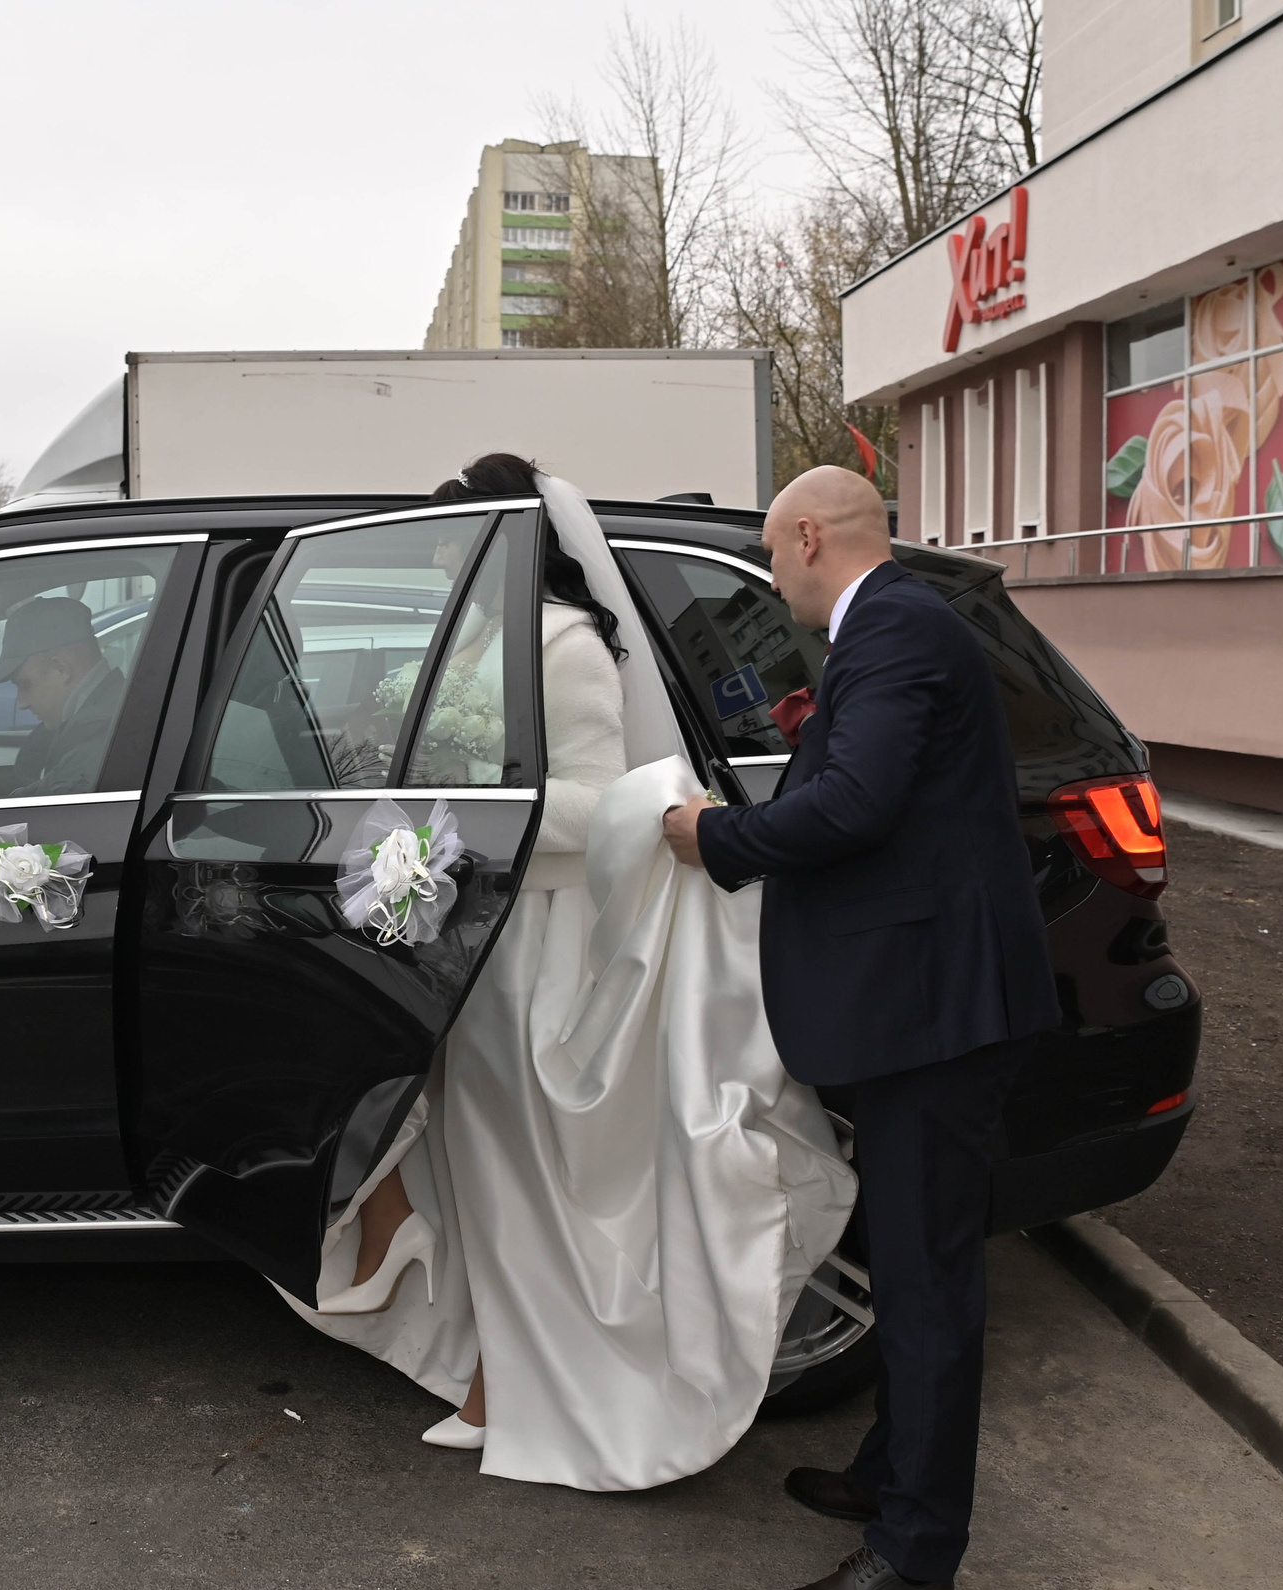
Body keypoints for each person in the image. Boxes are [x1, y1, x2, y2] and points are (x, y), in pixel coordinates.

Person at [286, 452, 857, 1492]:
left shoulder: (564, 646)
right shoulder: (478, 640)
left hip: (543, 935)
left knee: (519, 1174)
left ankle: (517, 1382)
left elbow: (605, 807)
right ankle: (489, 1362)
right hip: (481, 936)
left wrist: (456, 826)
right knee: (476, 1159)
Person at [662, 465, 1059, 1590]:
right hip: (914, 1007)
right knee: (903, 1255)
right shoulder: (893, 628)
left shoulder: (892, 628)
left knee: (931, 1285)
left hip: (935, 1015)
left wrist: (710, 836)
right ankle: (894, 1474)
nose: (772, 575)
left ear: (803, 534)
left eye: (773, 554)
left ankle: (914, 1561)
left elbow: (849, 805)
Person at [0, 597, 126, 795]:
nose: (22, 703)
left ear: (60, 668)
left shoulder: (98, 744)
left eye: (24, 684)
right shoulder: (106, 717)